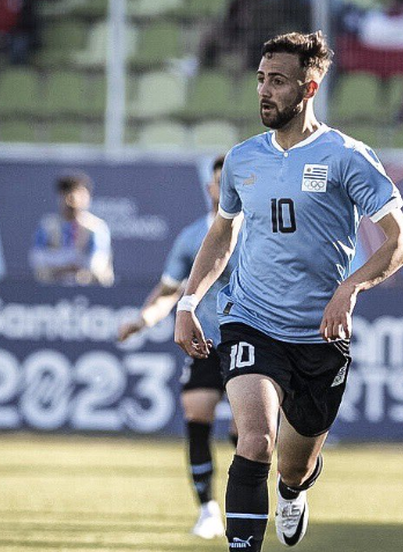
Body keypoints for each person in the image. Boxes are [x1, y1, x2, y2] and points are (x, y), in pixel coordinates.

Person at [174, 31, 403, 551]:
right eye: (261, 79)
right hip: (251, 320)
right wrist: (190, 301)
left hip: (320, 337)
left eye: (277, 82)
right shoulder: (242, 159)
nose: (264, 91)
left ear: (308, 89)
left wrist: (350, 288)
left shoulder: (347, 156)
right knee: (254, 442)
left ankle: (294, 489)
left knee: (292, 461)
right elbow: (222, 234)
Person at [118, 155, 237, 540]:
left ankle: (254, 501)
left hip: (250, 339)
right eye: (220, 182)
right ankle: (207, 510)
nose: (225, 189)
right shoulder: (191, 238)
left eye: (232, 182)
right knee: (196, 413)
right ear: (210, 188)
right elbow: (169, 290)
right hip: (205, 342)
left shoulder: (259, 233)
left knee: (249, 433)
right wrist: (142, 320)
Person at [29, 172, 113, 286]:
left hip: (91, 291)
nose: (72, 201)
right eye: (67, 195)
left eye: (79, 195)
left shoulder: (96, 227)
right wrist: (64, 267)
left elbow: (97, 263)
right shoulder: (48, 226)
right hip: (53, 289)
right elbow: (37, 258)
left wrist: (77, 270)